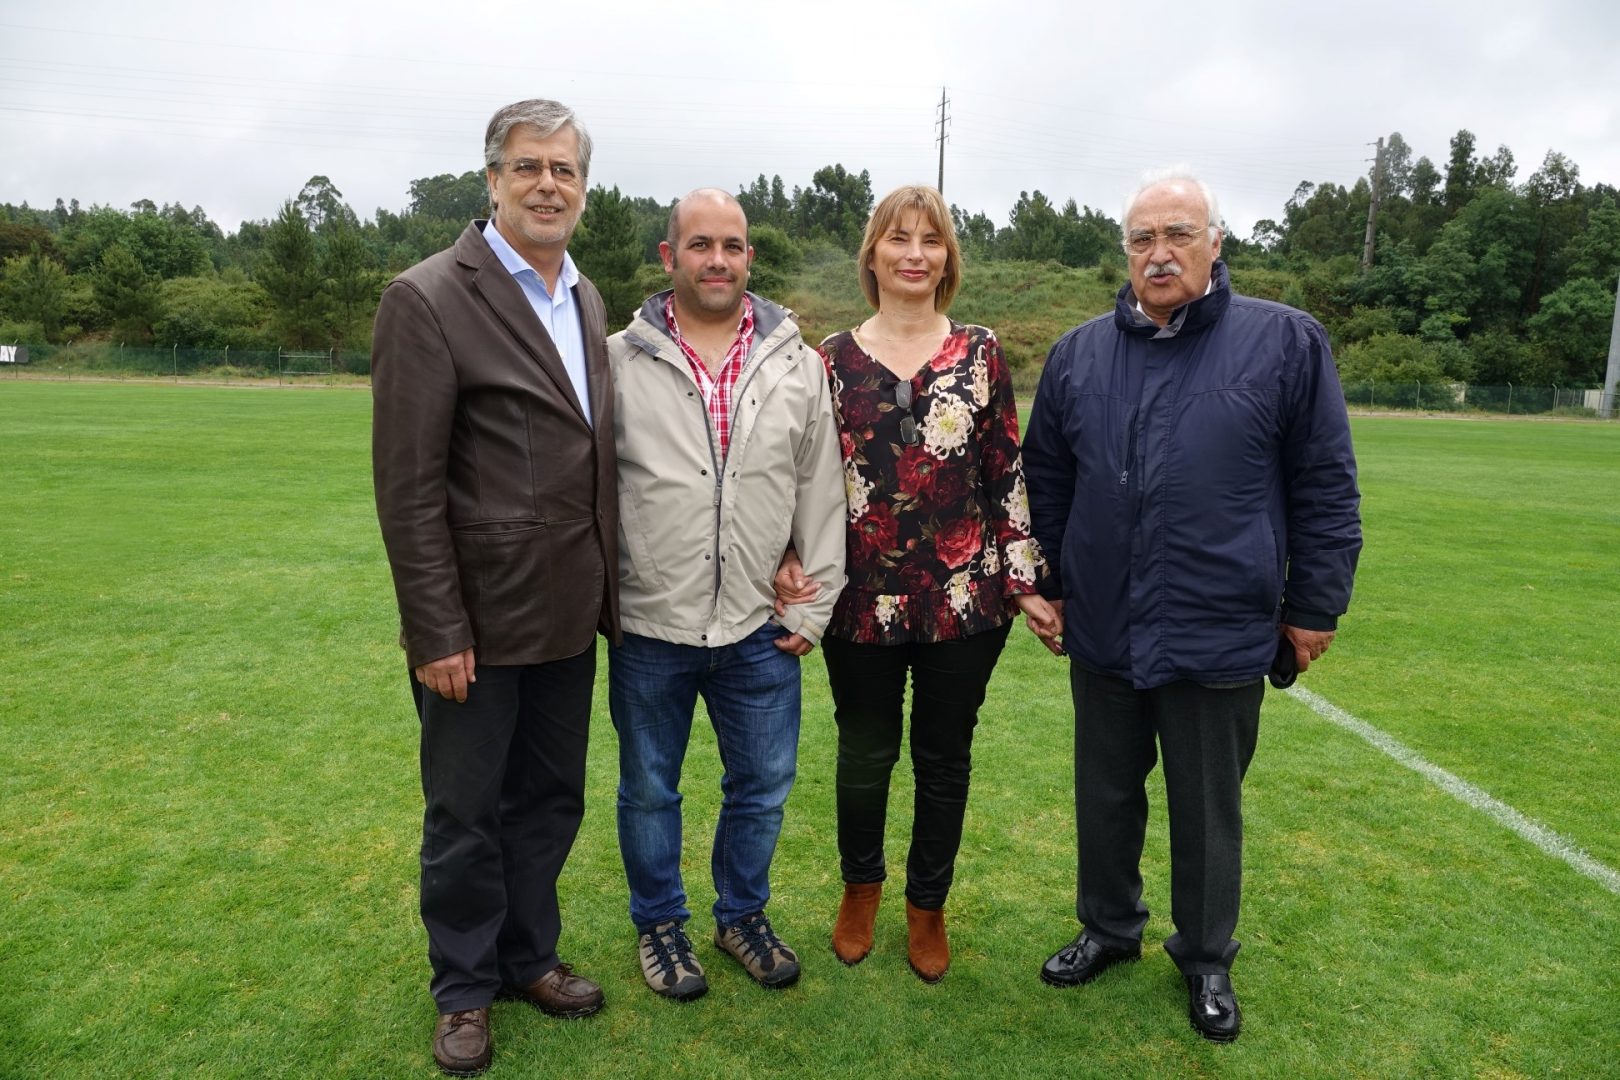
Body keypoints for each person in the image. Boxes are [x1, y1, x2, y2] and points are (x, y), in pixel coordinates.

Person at [1021, 166, 1362, 1042]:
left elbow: (1326, 484)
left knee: (1208, 810)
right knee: (1105, 794)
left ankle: (1207, 956)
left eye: (1178, 234)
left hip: (1219, 624)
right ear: (1125, 251)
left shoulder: (1284, 343)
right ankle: (1108, 928)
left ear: (1215, 242)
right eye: (1143, 238)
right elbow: (1045, 482)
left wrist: (1315, 604)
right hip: (1104, 623)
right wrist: (1049, 583)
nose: (1160, 253)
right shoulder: (1078, 354)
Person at [371, 98, 617, 1076]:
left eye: (565, 169)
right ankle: (464, 988)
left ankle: (528, 957)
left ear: (583, 187)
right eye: (528, 167)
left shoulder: (586, 297)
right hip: (474, 622)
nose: (548, 185)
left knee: (549, 801)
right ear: (493, 179)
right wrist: (436, 628)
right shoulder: (428, 296)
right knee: (465, 813)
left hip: (568, 615)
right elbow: (409, 487)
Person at [776, 184, 1061, 983]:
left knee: (944, 759)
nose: (914, 253)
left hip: (964, 602)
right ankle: (860, 890)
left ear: (947, 259)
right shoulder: (828, 359)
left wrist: (1023, 579)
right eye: (898, 238)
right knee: (865, 754)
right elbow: (802, 474)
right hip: (859, 598)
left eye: (930, 240)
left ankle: (927, 906)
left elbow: (1005, 471)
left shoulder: (980, 350)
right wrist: (788, 556)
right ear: (871, 254)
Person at [605, 188, 846, 1001]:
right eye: (700, 244)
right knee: (649, 791)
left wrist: (811, 603)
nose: (718, 260)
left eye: (732, 246)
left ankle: (742, 914)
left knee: (763, 789)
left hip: (758, 624)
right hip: (651, 623)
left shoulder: (796, 363)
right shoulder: (617, 360)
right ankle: (660, 924)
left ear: (750, 257)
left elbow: (820, 489)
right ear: (668, 256)